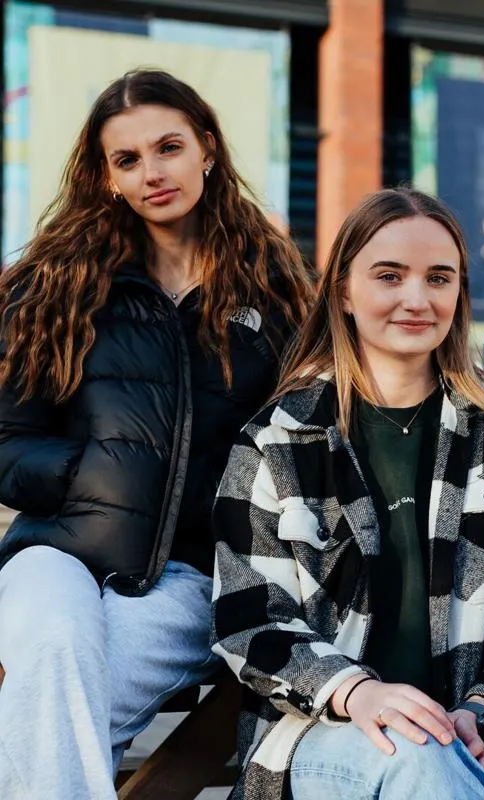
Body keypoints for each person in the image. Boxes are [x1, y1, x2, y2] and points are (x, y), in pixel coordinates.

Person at [211, 187, 484, 800]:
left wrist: (480, 714)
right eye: (390, 276)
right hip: (317, 741)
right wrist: (360, 694)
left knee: (433, 758)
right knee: (417, 757)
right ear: (342, 291)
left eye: (439, 278)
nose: (417, 299)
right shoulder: (279, 438)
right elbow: (249, 621)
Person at [0, 69, 314, 799]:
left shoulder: (274, 292)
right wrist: (89, 479)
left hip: (192, 576)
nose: (152, 173)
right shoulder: (54, 284)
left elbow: (299, 443)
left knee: (51, 711)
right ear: (107, 178)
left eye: (168, 147)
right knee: (49, 654)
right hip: (56, 551)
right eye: (128, 160)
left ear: (207, 148)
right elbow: (6, 439)